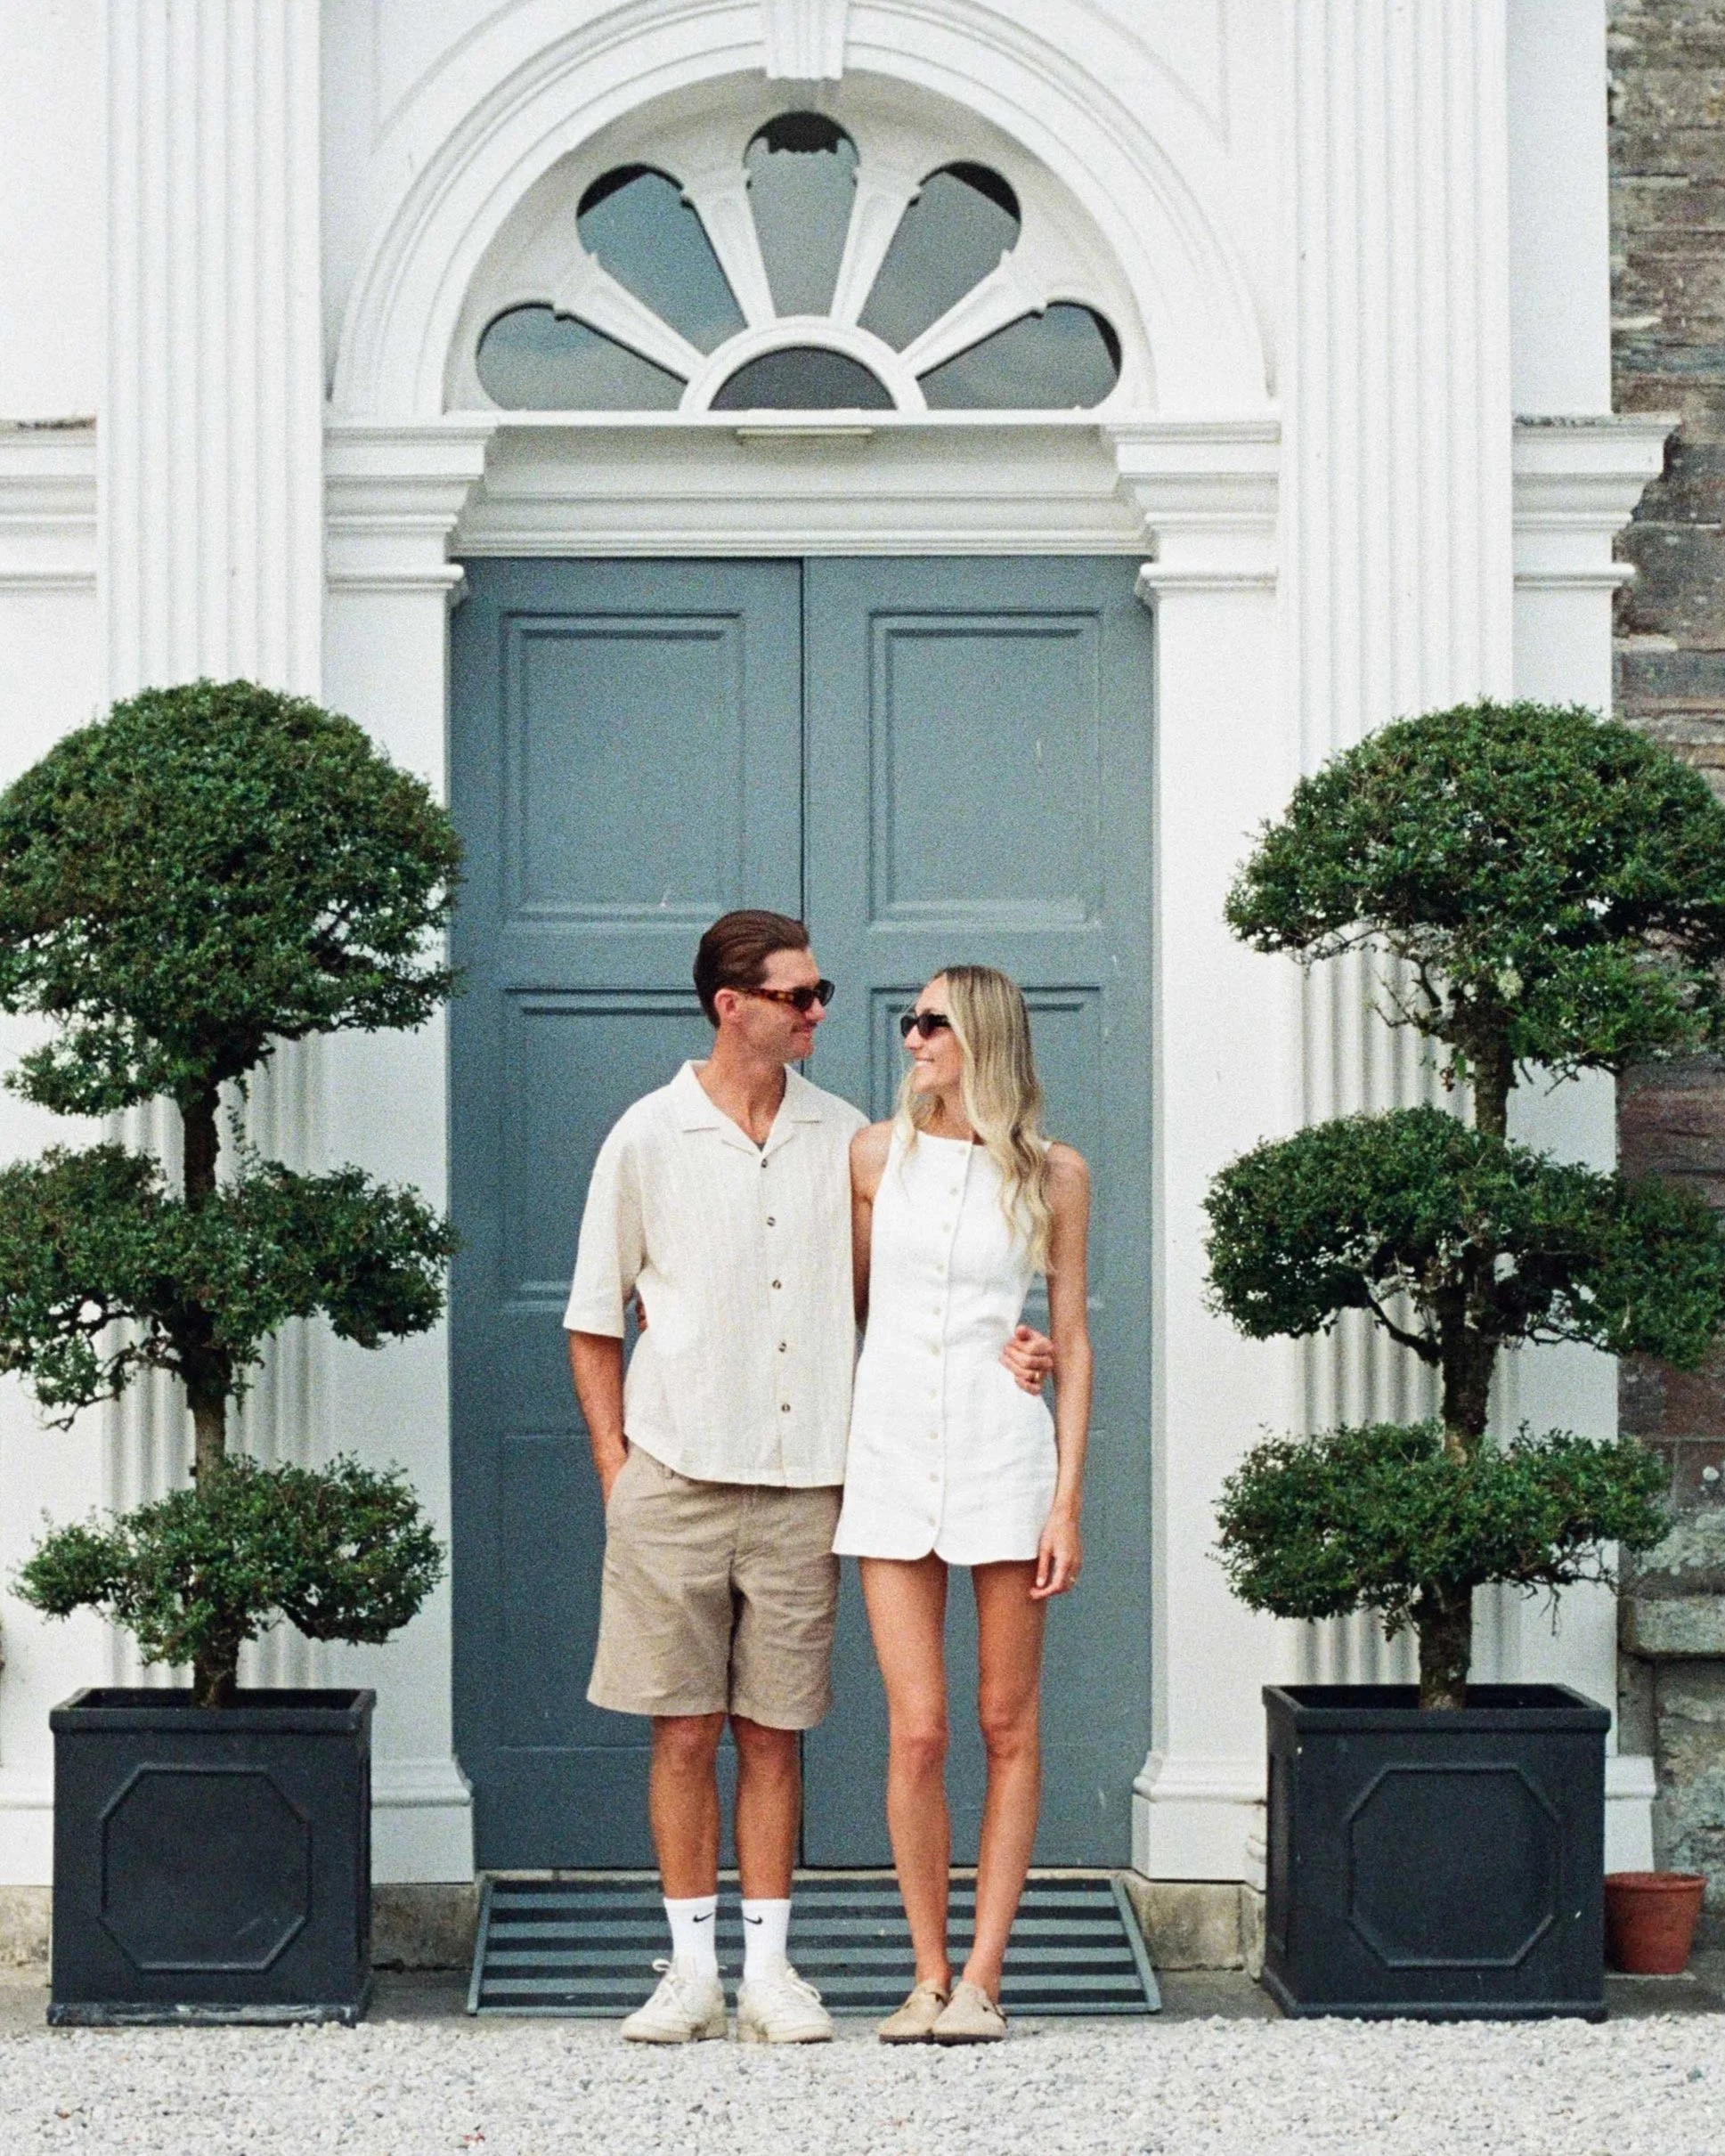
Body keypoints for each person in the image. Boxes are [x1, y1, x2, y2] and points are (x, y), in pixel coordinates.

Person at [564, 913, 1052, 2045]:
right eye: (800, 996)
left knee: (776, 1732)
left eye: (822, 992)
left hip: (808, 1482)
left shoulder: (853, 1140)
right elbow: (594, 1316)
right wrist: (615, 1473)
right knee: (682, 1732)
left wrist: (1019, 1342)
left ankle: (772, 1975)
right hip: (673, 1475)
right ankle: (690, 1974)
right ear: (732, 1007)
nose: (821, 1011)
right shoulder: (646, 1137)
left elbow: (919, 1295)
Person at [834, 965, 1092, 2046]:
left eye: (930, 1022)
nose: (911, 1038)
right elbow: (848, 1306)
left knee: (1003, 1721)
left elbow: (1068, 1338)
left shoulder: (1055, 1173)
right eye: (908, 1020)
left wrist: (1065, 1501)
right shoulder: (869, 1158)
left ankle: (985, 1975)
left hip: (1003, 1451)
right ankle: (925, 1973)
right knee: (917, 1729)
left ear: (979, 1033)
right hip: (891, 1450)